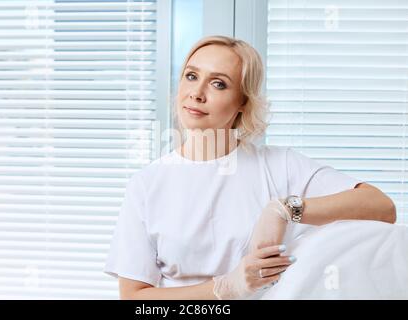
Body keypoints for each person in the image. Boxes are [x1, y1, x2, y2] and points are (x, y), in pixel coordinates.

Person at [104, 35, 407, 300]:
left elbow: (380, 206)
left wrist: (286, 209)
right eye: (191, 76)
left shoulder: (280, 165)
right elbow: (135, 297)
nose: (196, 93)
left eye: (218, 83)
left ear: (242, 104)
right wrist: (226, 289)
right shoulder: (147, 184)